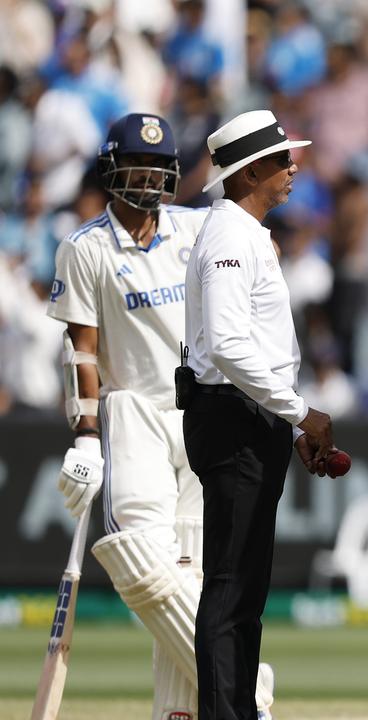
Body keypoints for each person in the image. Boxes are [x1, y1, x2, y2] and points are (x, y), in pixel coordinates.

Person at [46, 113, 275, 720]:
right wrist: (86, 435)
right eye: (135, 169)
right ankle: (246, 687)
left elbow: (257, 245)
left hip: (201, 410)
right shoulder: (85, 247)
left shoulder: (198, 229)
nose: (148, 182)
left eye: (158, 170)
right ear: (111, 171)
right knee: (137, 556)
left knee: (195, 570)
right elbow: (82, 349)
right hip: (134, 410)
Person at [184, 109, 335, 720]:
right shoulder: (229, 236)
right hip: (233, 417)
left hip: (251, 417)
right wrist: (299, 413)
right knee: (230, 589)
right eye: (280, 160)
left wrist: (282, 417)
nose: (292, 167)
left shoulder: (242, 233)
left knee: (244, 592)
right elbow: (225, 343)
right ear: (248, 174)